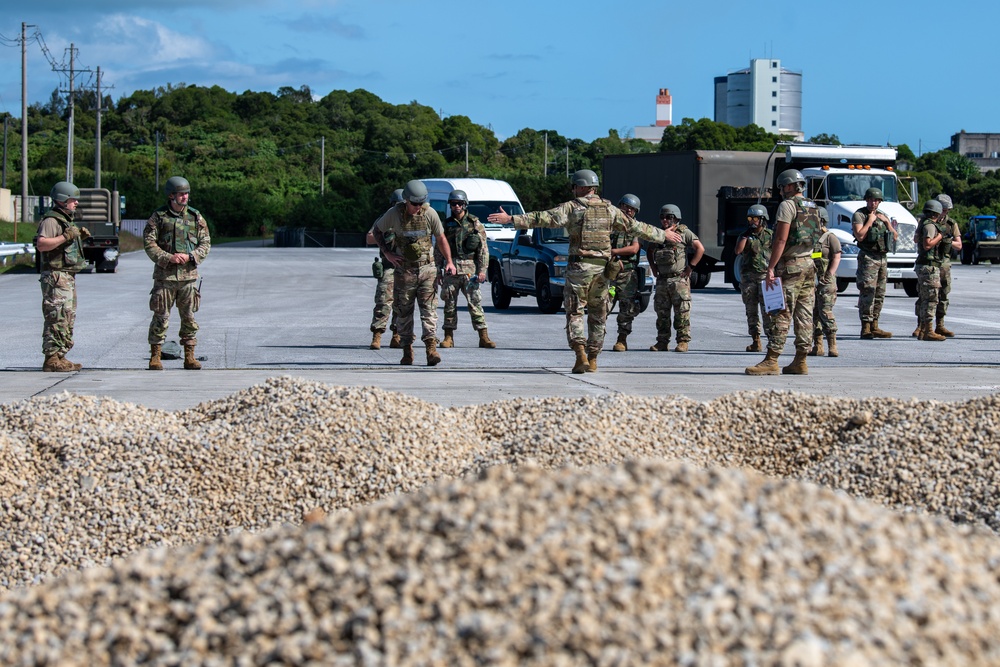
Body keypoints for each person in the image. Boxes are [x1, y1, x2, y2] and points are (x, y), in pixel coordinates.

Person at [487, 169, 669, 374]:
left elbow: (542, 218)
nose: (573, 190)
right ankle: (593, 359)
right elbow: (637, 227)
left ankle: (580, 353)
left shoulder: (572, 208)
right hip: (603, 271)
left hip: (579, 269)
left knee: (575, 312)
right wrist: (664, 235)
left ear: (580, 187)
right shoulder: (611, 210)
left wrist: (511, 219)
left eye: (574, 187)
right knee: (598, 315)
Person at [372, 180, 456, 366]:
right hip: (404, 271)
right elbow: (377, 231)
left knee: (429, 311)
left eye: (420, 203)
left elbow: (441, 238)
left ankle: (431, 350)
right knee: (404, 312)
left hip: (427, 269)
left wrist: (449, 261)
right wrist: (387, 253)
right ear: (406, 201)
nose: (418, 207)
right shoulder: (394, 214)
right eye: (414, 204)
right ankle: (407, 350)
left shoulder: (430, 213)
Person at [745, 169, 821, 375]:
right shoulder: (813, 206)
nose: (780, 190)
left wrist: (771, 267)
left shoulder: (787, 206)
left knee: (781, 312)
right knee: (805, 315)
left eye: (781, 186)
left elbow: (781, 239)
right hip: (808, 264)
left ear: (789, 186)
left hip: (791, 266)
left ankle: (772, 359)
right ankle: (801, 360)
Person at [144, 176, 212, 371]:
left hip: (188, 278)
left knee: (189, 318)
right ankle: (155, 356)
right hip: (165, 278)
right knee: (160, 317)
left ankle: (189, 356)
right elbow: (149, 243)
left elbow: (205, 243)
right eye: (181, 194)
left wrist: (191, 256)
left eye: (186, 193)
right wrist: (168, 258)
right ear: (171, 195)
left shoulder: (195, 216)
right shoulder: (158, 217)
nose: (185, 197)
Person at [35, 181, 89, 372]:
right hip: (56, 277)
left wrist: (76, 238)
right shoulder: (51, 220)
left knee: (66, 317)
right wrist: (66, 237)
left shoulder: (65, 219)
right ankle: (51, 358)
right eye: (73, 200)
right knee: (56, 316)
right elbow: (42, 244)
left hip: (66, 276)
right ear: (62, 200)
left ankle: (60, 356)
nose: (76, 203)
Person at [436, 189, 495, 349]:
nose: (456, 207)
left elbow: (483, 250)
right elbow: (439, 249)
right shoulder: (445, 225)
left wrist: (483, 270)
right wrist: (437, 271)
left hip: (470, 270)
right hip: (451, 270)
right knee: (449, 304)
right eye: (453, 204)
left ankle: (483, 336)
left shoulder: (475, 223)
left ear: (465, 204)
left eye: (459, 204)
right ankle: (448, 337)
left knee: (475, 303)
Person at [646, 204, 705, 353]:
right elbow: (650, 250)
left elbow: (700, 248)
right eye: (662, 217)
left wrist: (690, 267)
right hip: (662, 280)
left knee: (682, 312)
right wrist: (653, 267)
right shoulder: (659, 234)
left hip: (679, 280)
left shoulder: (684, 233)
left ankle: (683, 341)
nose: (665, 220)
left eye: (669, 217)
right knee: (662, 313)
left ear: (676, 218)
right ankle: (662, 341)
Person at [852, 187, 898, 339]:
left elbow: (895, 237)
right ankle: (865, 327)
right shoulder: (860, 215)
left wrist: (887, 223)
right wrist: (870, 222)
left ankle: (875, 325)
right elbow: (859, 235)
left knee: (880, 293)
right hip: (868, 257)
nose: (874, 203)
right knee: (868, 291)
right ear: (866, 200)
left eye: (877, 200)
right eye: (871, 200)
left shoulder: (883, 215)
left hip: (882, 258)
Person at [368, 188, 404, 350]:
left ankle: (396, 335)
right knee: (383, 300)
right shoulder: (384, 219)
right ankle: (377, 335)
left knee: (402, 303)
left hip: (407, 268)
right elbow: (369, 238)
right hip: (389, 267)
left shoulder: (413, 220)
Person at [734, 204, 772, 353]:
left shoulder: (770, 235)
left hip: (765, 277)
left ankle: (771, 340)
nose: (752, 221)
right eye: (750, 218)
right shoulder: (745, 235)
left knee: (768, 311)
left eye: (755, 218)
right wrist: (745, 235)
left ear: (763, 219)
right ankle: (756, 340)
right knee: (751, 311)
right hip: (748, 278)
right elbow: (738, 251)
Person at [610, 194, 644, 352]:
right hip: (608, 273)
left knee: (626, 308)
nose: (627, 210)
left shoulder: (635, 227)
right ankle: (596, 339)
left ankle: (622, 339)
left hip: (627, 273)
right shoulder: (610, 225)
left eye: (631, 209)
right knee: (601, 306)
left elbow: (634, 248)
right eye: (625, 206)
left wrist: (614, 252)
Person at [913, 199, 949, 342]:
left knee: (925, 298)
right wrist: (940, 236)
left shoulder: (924, 224)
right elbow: (927, 244)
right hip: (929, 267)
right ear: (937, 213)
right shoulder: (930, 226)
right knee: (931, 299)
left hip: (925, 266)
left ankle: (923, 330)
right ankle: (928, 330)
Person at [809, 206, 842, 357]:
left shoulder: (830, 238)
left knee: (825, 311)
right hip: (811, 281)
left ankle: (832, 344)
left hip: (826, 282)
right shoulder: (809, 237)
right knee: (813, 313)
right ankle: (818, 345)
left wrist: (829, 274)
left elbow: (836, 256)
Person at [931, 193, 962, 337]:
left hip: (944, 263)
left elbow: (959, 245)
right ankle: (922, 325)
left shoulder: (951, 224)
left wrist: (946, 241)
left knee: (943, 295)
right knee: (928, 295)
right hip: (930, 262)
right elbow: (918, 240)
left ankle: (940, 324)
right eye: (943, 209)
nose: (945, 213)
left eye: (947, 210)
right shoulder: (927, 222)